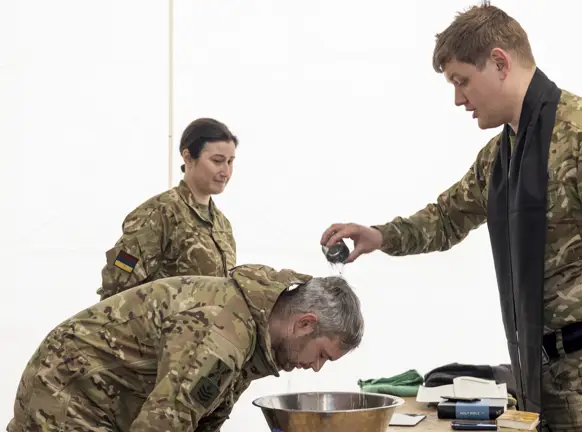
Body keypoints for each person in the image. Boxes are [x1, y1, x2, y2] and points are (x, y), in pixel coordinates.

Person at [320, 3, 582, 432]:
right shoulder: (504, 156)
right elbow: (446, 218)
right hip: (543, 382)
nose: (459, 98)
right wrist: (380, 236)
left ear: (500, 62)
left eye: (462, 81)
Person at [8, 264, 364, 432]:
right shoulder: (222, 337)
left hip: (109, 396)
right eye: (321, 355)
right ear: (305, 324)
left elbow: (203, 417)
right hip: (68, 393)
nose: (316, 368)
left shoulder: (260, 328)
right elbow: (161, 426)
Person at [97, 117, 239, 300]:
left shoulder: (222, 224)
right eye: (217, 161)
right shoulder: (158, 214)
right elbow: (117, 278)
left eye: (230, 162)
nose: (226, 172)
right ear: (188, 158)